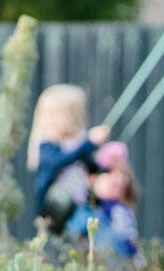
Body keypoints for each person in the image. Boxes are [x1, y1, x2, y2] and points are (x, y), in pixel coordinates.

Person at [27, 84, 109, 235]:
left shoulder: (77, 143)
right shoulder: (47, 146)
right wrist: (89, 142)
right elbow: (60, 161)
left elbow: (90, 166)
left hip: (80, 205)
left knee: (103, 224)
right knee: (98, 231)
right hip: (59, 211)